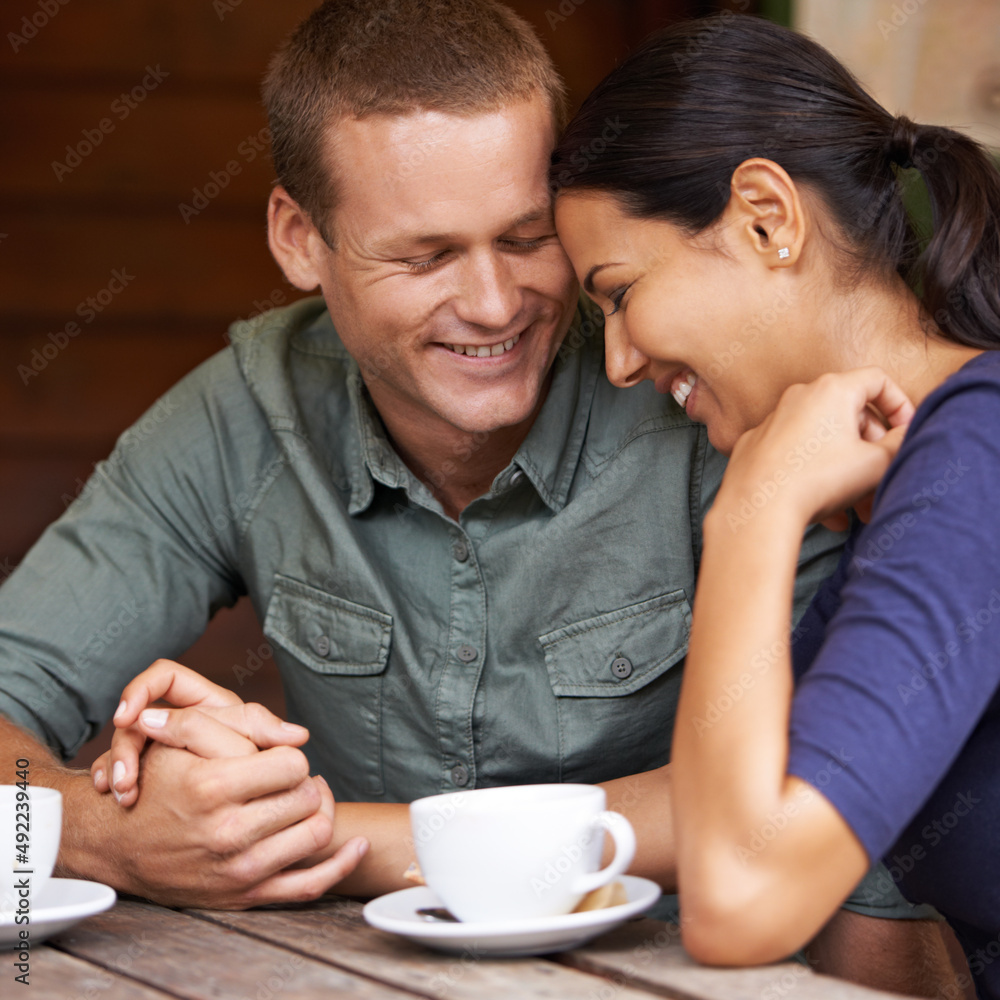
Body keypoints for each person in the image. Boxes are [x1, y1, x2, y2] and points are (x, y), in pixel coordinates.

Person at [0, 1, 949, 991]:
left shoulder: (702, 396)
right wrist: (110, 832)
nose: (495, 305)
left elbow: (833, 814)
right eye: (427, 255)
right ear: (299, 239)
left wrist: (284, 834)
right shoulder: (240, 416)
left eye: (527, 237)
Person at [552, 11, 1000, 997]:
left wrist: (751, 513)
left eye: (618, 293)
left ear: (765, 216)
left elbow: (739, 897)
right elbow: (717, 807)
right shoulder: (911, 496)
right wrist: (324, 834)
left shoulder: (982, 446)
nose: (620, 362)